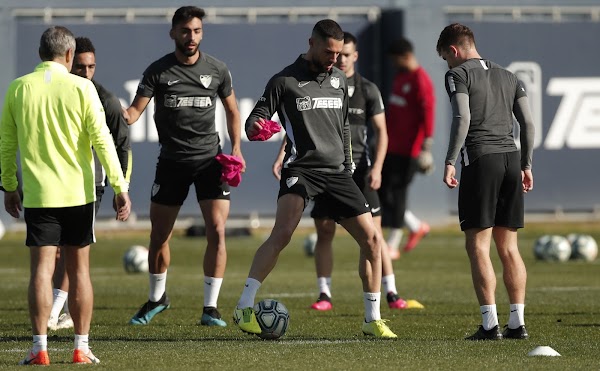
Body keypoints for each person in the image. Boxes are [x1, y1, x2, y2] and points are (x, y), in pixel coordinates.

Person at [233, 19, 396, 339]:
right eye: (329, 52)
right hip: (302, 170)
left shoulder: (338, 80)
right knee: (282, 234)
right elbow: (255, 120)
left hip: (338, 173)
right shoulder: (284, 80)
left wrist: (348, 164)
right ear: (312, 44)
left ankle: (372, 319)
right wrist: (257, 129)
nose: (334, 58)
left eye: (339, 53)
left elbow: (344, 126)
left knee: (373, 241)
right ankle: (244, 306)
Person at [0, 26, 131, 365]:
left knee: (42, 271)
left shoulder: (18, 88)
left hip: (40, 195)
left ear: (40, 53)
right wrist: (120, 186)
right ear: (70, 56)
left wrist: (9, 186)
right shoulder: (82, 88)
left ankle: (39, 348)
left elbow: (6, 145)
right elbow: (103, 140)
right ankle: (80, 347)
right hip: (78, 194)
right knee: (80, 270)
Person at [124, 6, 245, 327]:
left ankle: (211, 308)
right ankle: (157, 298)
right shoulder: (158, 71)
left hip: (210, 161)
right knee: (159, 236)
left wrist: (236, 148)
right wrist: (112, 112)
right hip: (172, 163)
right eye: (185, 31)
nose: (191, 37)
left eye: (197, 31)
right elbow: (134, 113)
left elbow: (233, 111)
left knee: (217, 232)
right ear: (173, 33)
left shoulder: (217, 70)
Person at [271, 32, 408, 311]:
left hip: (361, 169)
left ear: (355, 56)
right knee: (324, 230)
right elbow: (304, 126)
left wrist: (378, 167)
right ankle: (324, 294)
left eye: (345, 54)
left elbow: (382, 133)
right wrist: (280, 156)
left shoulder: (367, 89)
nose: (339, 59)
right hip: (328, 168)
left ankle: (390, 292)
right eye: (336, 53)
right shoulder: (321, 83)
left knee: (373, 235)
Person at [436, 23, 534, 340]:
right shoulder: (510, 76)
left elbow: (462, 118)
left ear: (453, 50)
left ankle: (490, 326)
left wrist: (450, 159)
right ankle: (517, 323)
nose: (447, 65)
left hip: (481, 159)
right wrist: (527, 163)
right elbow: (528, 123)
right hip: (511, 159)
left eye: (445, 58)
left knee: (478, 245)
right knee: (509, 247)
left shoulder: (458, 74)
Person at [48, 36, 132, 332]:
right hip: (53, 181)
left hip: (88, 185)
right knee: (56, 251)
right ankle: (58, 309)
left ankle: (55, 310)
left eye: (91, 67)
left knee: (69, 250)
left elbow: (122, 145)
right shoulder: (55, 92)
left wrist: (122, 187)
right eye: (81, 66)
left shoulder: (105, 100)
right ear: (69, 62)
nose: (86, 72)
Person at [380, 37, 435, 260]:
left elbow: (428, 114)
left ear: (405, 56)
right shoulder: (399, 77)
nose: (393, 64)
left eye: (395, 59)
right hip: (391, 147)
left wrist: (426, 147)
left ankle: (392, 243)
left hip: (410, 150)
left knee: (399, 194)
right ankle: (415, 225)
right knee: (383, 192)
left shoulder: (420, 80)